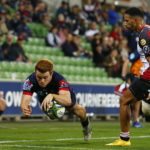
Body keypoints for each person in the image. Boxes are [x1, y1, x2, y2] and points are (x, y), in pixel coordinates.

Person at [106, 7, 150, 146]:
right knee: (126, 100)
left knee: (124, 100)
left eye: (127, 21)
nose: (124, 24)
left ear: (136, 20)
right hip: (145, 76)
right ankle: (124, 139)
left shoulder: (144, 35)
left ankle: (124, 139)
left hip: (148, 76)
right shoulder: (145, 31)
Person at [20, 59, 92, 141]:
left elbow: (67, 101)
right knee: (51, 113)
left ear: (51, 74)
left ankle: (86, 125)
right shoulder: (30, 81)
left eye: (45, 78)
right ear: (35, 73)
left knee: (77, 111)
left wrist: (53, 96)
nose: (42, 81)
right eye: (39, 78)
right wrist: (25, 110)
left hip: (62, 95)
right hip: (44, 96)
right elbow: (24, 103)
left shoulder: (59, 79)